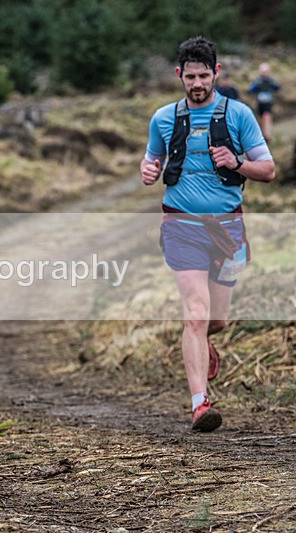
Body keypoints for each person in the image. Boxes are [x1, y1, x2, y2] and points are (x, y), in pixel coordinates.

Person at [140, 37, 275, 432]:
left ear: (216, 73)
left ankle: (205, 344)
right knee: (195, 316)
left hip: (227, 228)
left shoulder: (239, 115)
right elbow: (152, 160)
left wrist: (237, 162)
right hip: (180, 225)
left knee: (216, 319)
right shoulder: (163, 118)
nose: (197, 83)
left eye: (204, 76)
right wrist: (148, 171)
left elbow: (267, 170)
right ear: (178, 75)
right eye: (190, 77)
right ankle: (200, 403)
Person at [248, 62, 281, 142]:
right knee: (261, 119)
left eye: (266, 71)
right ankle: (262, 135)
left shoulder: (271, 80)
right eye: (263, 71)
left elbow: (277, 87)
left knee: (267, 117)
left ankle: (267, 135)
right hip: (259, 103)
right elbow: (251, 89)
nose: (264, 73)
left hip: (268, 103)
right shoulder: (257, 80)